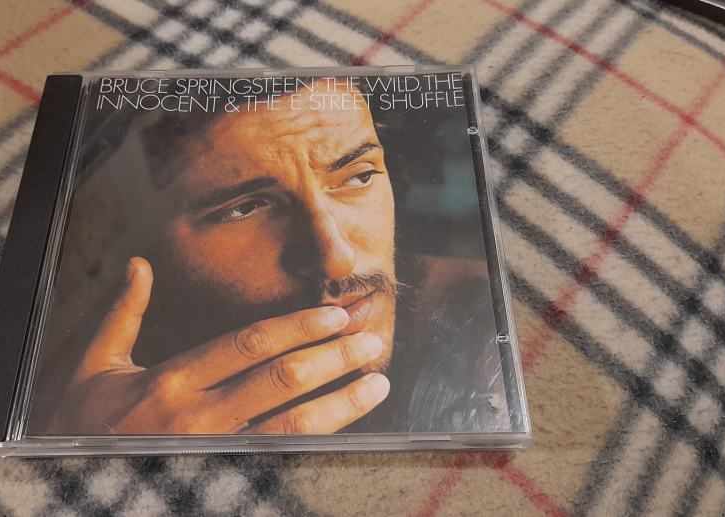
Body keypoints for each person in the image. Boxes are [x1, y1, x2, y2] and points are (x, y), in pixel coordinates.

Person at [36, 78, 508, 436]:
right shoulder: (70, 385)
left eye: (358, 176)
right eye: (243, 208)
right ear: (144, 250)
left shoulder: (489, 326)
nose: (336, 259)